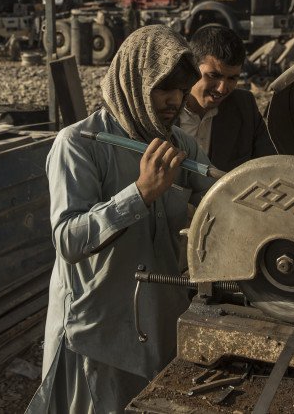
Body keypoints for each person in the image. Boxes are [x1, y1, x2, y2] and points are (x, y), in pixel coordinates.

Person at [27, 25, 214, 414]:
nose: (174, 101)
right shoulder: (79, 144)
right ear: (134, 81)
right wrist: (141, 193)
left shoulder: (181, 145)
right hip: (99, 333)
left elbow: (220, 198)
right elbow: (68, 240)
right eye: (164, 88)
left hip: (159, 323)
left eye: (180, 90)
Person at [180, 25, 275, 171]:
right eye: (214, 76)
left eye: (232, 78)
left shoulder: (244, 107)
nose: (222, 88)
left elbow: (268, 166)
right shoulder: (165, 108)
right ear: (192, 66)